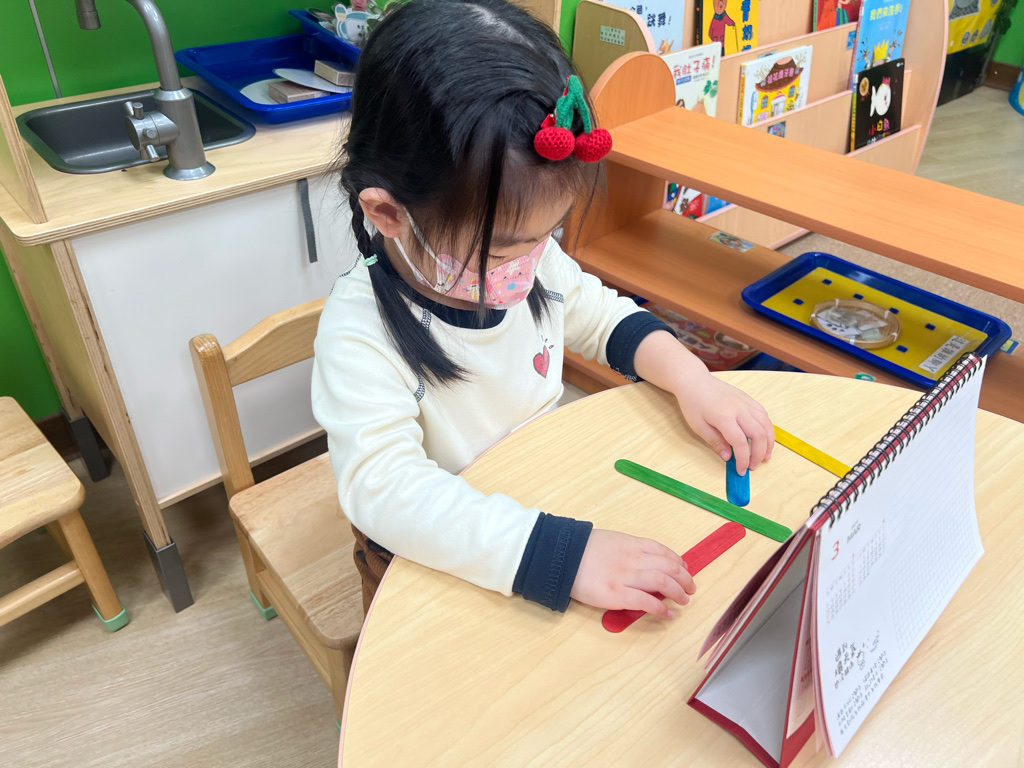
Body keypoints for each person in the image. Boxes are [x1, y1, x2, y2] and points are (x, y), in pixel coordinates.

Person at [312, 0, 774, 619]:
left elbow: (605, 318)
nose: (532, 263)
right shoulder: (359, 334)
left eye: (547, 235)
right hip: (427, 559)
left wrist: (694, 381)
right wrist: (563, 556)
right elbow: (388, 494)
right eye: (504, 249)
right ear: (388, 213)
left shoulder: (531, 261)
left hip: (537, 499)